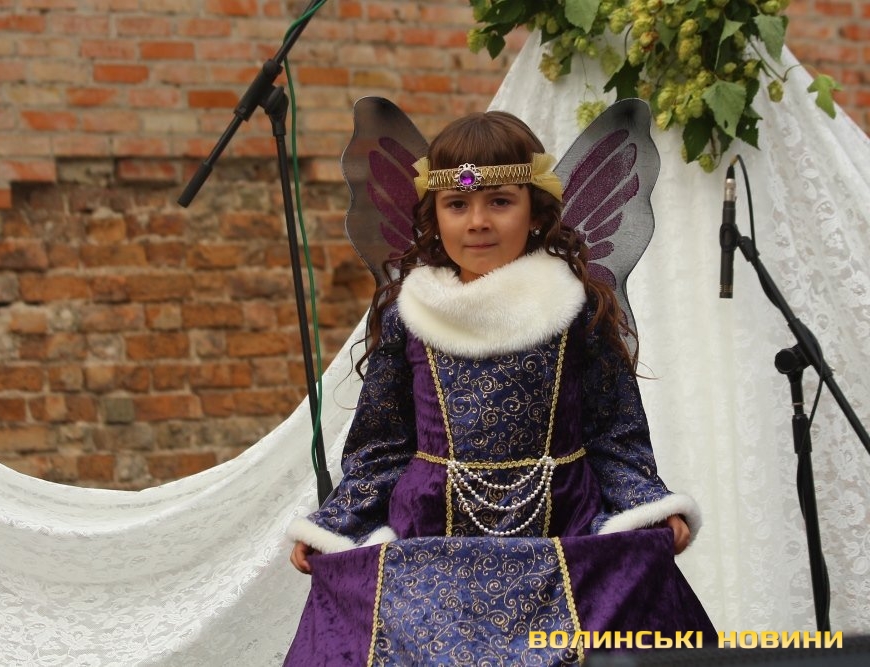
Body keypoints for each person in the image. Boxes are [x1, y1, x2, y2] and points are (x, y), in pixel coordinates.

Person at [284, 111, 713, 666]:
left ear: (535, 210)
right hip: (431, 541)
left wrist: (648, 505)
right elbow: (381, 447)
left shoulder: (577, 311)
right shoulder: (406, 317)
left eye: (500, 202)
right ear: (434, 214)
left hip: (561, 529)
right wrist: (335, 523)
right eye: (457, 204)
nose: (478, 222)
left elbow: (615, 433)